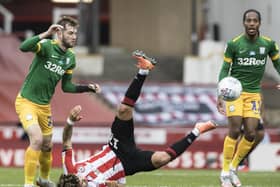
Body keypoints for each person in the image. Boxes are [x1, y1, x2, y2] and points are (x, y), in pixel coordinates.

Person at [57, 50, 218, 187]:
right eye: (82, 184)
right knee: (162, 159)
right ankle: (198, 130)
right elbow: (118, 185)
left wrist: (70, 121)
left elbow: (66, 142)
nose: (83, 181)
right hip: (128, 164)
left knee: (124, 110)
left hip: (115, 146)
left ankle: (143, 70)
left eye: (80, 180)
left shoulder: (69, 168)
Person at [15, 16, 101, 187]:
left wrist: (87, 88)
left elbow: (66, 87)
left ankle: (43, 179)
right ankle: (28, 184)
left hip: (44, 107)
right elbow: (23, 47)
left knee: (47, 146)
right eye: (70, 33)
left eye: (75, 33)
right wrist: (46, 34)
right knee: (37, 140)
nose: (74, 36)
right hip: (27, 102)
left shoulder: (70, 58)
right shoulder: (47, 46)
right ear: (59, 33)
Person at [216, 9, 280, 187]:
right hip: (235, 92)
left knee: (251, 132)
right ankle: (225, 171)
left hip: (253, 93)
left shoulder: (268, 44)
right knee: (235, 130)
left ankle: (234, 168)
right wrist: (220, 93)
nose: (251, 24)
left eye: (255, 21)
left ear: (259, 23)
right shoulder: (234, 44)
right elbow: (224, 69)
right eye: (248, 21)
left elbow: (278, 63)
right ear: (244, 23)